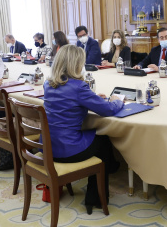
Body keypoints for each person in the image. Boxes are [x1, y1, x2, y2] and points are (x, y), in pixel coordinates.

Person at [43, 44, 123, 214]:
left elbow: (69, 98)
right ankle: (96, 196)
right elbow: (108, 110)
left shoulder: (48, 84)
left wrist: (93, 98)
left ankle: (109, 173)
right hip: (68, 150)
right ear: (76, 64)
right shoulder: (79, 87)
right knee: (103, 139)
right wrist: (117, 100)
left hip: (48, 147)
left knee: (98, 140)